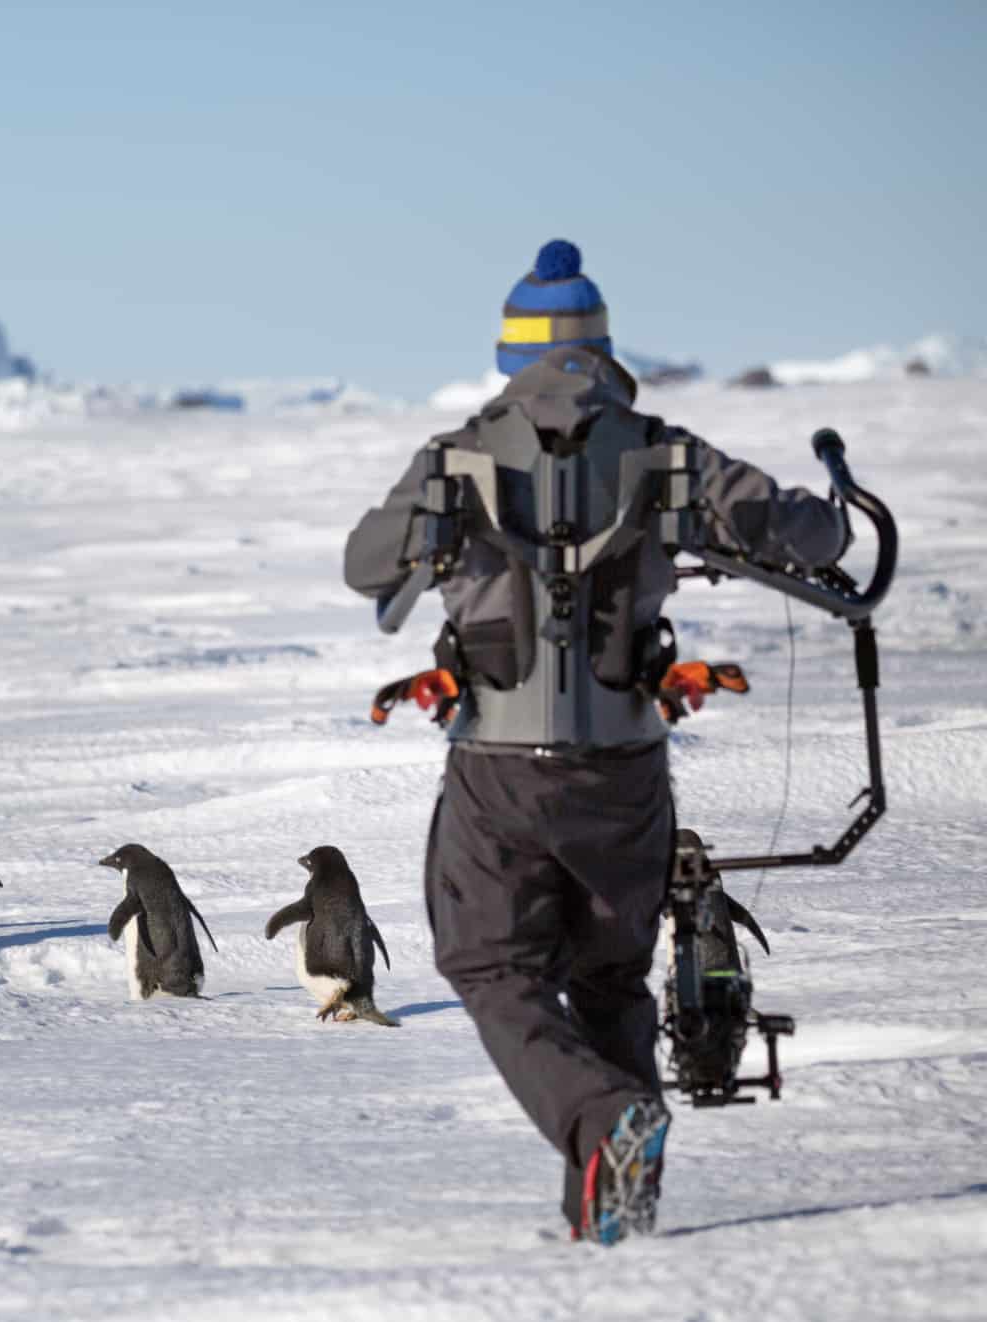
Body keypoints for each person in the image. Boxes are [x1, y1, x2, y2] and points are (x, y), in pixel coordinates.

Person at [342, 240, 848, 1245]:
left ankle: (602, 1120)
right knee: (609, 975)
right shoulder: (667, 451)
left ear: (509, 350)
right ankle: (610, 1205)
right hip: (624, 766)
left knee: (488, 962)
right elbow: (809, 537)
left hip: (497, 769)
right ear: (600, 346)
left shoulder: (456, 456)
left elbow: (366, 566)